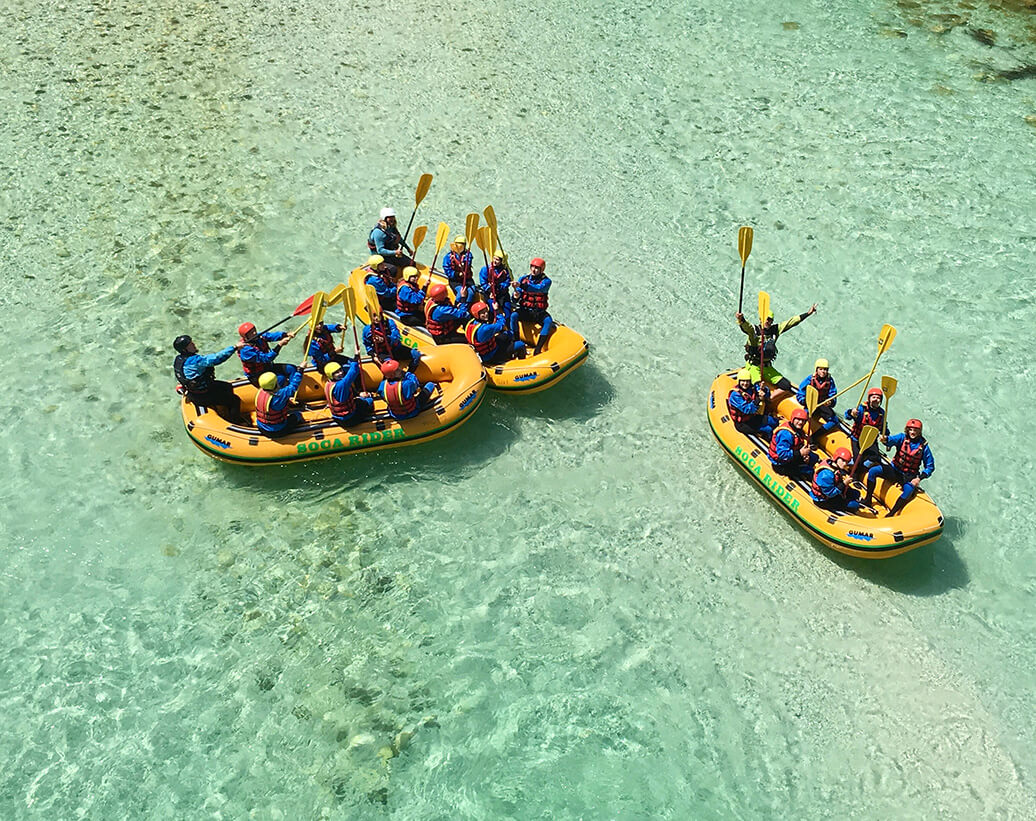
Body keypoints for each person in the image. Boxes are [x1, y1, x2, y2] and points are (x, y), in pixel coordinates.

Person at [736, 302, 817, 404]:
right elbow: (746, 327)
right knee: (758, 389)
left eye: (770, 320)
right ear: (761, 319)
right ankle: (755, 403)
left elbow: (791, 322)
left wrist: (808, 313)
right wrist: (741, 319)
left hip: (767, 368)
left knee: (786, 385)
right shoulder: (754, 330)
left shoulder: (775, 330)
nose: (768, 321)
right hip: (754, 366)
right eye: (766, 319)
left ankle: (769, 400)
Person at [863, 419, 935, 517]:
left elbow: (930, 467)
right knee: (873, 471)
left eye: (915, 430)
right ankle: (868, 500)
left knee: (908, 491)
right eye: (910, 429)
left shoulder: (924, 447)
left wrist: (919, 478)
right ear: (907, 430)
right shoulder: (902, 437)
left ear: (920, 431)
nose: (912, 432)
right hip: (894, 469)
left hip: (908, 475)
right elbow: (890, 440)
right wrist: (885, 439)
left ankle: (892, 513)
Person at [173, 334, 248, 424]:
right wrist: (235, 347)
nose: (194, 344)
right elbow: (216, 358)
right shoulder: (194, 361)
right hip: (203, 395)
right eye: (190, 344)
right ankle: (235, 421)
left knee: (227, 386)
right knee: (235, 400)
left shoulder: (179, 359)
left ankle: (224, 411)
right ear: (185, 349)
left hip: (195, 392)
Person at [510, 257, 554, 355]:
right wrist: (515, 296)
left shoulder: (547, 282)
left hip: (538, 312)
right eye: (532, 267)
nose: (534, 270)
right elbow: (515, 298)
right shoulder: (523, 279)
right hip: (525, 310)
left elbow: (537, 289)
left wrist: (521, 285)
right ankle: (516, 342)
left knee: (548, 321)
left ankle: (538, 349)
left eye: (537, 268)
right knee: (513, 316)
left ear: (542, 270)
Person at [237, 322, 297, 386]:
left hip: (268, 367)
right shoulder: (245, 350)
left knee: (292, 368)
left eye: (254, 330)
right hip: (257, 375)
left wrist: (286, 334)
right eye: (251, 333)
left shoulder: (258, 337)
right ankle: (282, 391)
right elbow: (267, 358)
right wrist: (280, 345)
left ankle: (293, 388)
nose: (254, 333)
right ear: (246, 337)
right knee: (281, 379)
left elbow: (270, 336)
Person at [727, 368, 778, 439]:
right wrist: (758, 399)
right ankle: (768, 439)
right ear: (739, 381)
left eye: (747, 381)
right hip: (743, 423)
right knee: (768, 429)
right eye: (743, 381)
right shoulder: (735, 395)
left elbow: (765, 394)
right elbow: (747, 410)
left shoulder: (752, 388)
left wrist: (764, 389)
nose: (745, 383)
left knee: (774, 421)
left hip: (752, 417)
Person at [767, 407, 817, 478]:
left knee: (814, 457)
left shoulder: (796, 429)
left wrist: (805, 454)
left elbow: (799, 441)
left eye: (803, 420)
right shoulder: (786, 434)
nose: (800, 422)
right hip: (781, 464)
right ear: (793, 419)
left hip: (792, 455)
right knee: (809, 471)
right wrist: (800, 453)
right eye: (798, 419)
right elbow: (782, 454)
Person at [844, 387, 886, 469]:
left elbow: (883, 427)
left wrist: (885, 436)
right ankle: (855, 466)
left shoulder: (881, 413)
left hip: (871, 441)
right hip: (857, 439)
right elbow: (847, 416)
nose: (876, 400)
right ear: (869, 399)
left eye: (878, 398)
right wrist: (851, 413)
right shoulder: (861, 409)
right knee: (858, 462)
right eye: (874, 397)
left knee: (875, 457)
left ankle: (862, 468)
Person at [323, 360, 374, 427]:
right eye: (336, 372)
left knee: (359, 400)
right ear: (331, 375)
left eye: (340, 370)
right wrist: (355, 359)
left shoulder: (328, 384)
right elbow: (353, 372)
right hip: (349, 419)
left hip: (337, 417)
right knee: (369, 400)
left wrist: (358, 395)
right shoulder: (341, 385)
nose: (341, 373)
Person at [809, 447, 861, 513]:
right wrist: (844, 484)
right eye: (843, 461)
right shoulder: (826, 474)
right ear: (836, 458)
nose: (845, 464)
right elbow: (830, 493)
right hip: (823, 500)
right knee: (854, 505)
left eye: (847, 462)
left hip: (833, 489)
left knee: (856, 493)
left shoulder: (834, 466)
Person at [254, 369, 304, 437]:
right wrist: (300, 370)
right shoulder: (279, 397)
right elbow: (293, 386)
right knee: (298, 415)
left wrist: (287, 400)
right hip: (277, 430)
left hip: (261, 427)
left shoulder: (260, 392)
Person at [796, 358, 838, 436]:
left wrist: (830, 402)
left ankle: (815, 436)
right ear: (816, 370)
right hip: (810, 404)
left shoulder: (830, 381)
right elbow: (800, 393)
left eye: (825, 369)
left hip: (822, 405)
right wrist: (805, 401)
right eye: (820, 369)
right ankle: (798, 433)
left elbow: (833, 395)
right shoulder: (810, 379)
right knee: (802, 417)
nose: (823, 371)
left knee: (834, 420)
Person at [367, 207, 413, 273]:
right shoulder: (379, 232)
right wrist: (395, 252)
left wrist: (408, 248)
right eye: (389, 217)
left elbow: (398, 239)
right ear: (384, 218)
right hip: (381, 256)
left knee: (411, 263)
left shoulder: (391, 227)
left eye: (393, 217)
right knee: (393, 270)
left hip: (391, 252)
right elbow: (380, 250)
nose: (392, 219)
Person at [479, 250, 513, 321]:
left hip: (502, 294)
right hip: (490, 294)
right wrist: (490, 289)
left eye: (497, 260)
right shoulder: (486, 269)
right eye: (494, 258)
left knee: (508, 311)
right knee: (492, 309)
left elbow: (508, 282)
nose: (494, 261)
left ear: (502, 261)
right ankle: (492, 322)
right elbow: (483, 282)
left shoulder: (507, 271)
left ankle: (508, 324)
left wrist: (498, 286)